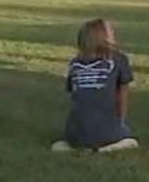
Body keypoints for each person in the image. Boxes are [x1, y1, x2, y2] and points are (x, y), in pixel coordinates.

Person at [51, 18, 138, 153]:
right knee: (130, 140)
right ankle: (106, 145)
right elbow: (122, 96)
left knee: (60, 145)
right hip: (107, 132)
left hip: (75, 134)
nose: (114, 32)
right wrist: (120, 123)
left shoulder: (75, 63)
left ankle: (80, 143)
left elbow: (74, 94)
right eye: (110, 30)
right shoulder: (119, 59)